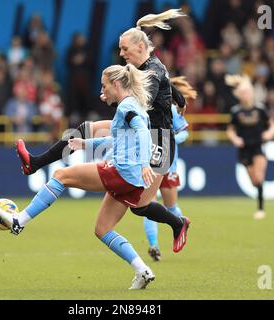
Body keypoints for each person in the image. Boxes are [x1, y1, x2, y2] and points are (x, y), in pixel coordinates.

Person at [16, 9, 191, 252]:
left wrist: (116, 95)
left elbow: (144, 97)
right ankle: (35, 163)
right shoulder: (150, 67)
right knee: (86, 129)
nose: (121, 53)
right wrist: (178, 97)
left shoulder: (152, 71)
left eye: (124, 49)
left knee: (140, 206)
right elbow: (161, 84)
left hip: (157, 141)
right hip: (140, 130)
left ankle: (178, 224)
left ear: (140, 46)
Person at [0, 64, 168, 290]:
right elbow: (118, 142)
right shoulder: (132, 105)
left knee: (61, 175)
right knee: (103, 230)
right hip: (133, 181)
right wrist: (85, 143)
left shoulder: (126, 106)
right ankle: (142, 270)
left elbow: (144, 134)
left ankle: (19, 221)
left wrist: (146, 162)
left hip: (122, 172)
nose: (101, 92)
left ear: (116, 84)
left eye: (104, 86)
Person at [144, 76, 196, 261]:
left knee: (170, 206)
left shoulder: (171, 110)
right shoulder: (145, 108)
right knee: (147, 204)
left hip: (168, 164)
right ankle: (153, 244)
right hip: (150, 164)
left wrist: (169, 137)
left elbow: (184, 133)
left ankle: (181, 226)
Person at [225, 75, 274, 220]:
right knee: (254, 181)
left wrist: (269, 133)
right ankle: (259, 199)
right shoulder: (235, 112)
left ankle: (261, 209)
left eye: (248, 92)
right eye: (243, 93)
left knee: (259, 178)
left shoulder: (260, 109)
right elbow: (230, 130)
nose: (246, 95)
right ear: (239, 95)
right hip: (244, 149)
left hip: (258, 146)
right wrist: (235, 139)